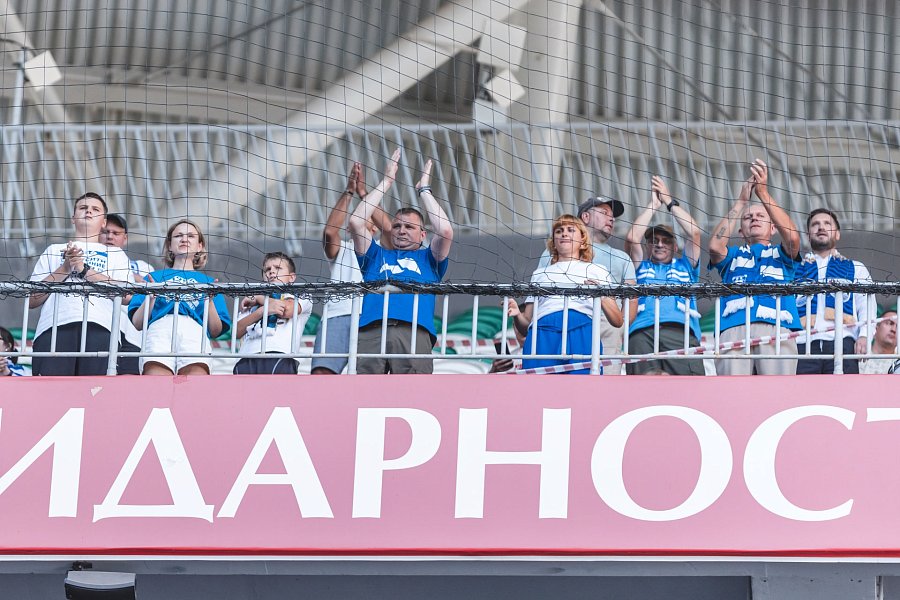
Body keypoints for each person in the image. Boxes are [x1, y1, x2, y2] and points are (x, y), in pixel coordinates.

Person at [349, 148, 453, 374]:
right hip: (372, 330)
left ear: (423, 235)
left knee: (412, 391)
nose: (401, 230)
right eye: (396, 226)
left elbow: (445, 230)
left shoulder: (429, 259)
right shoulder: (375, 255)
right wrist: (386, 182)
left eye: (409, 227)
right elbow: (356, 222)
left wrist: (424, 190)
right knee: (366, 391)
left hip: (413, 331)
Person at [708, 160, 802, 375]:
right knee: (733, 390)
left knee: (778, 391)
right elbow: (714, 246)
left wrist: (763, 193)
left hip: (777, 326)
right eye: (748, 217)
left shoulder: (781, 254)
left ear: (773, 228)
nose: (754, 219)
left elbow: (793, 238)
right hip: (733, 326)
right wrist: (741, 202)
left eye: (761, 216)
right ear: (740, 231)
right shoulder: (733, 255)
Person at [28, 192, 132, 376]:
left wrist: (84, 270)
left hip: (101, 328)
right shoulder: (53, 250)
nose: (89, 212)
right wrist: (66, 267)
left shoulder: (116, 254)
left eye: (95, 209)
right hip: (54, 328)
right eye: (83, 208)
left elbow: (127, 295)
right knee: (51, 390)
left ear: (104, 222)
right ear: (73, 218)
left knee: (95, 390)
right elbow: (31, 299)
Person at [507, 214, 624, 374]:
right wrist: (516, 315)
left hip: (582, 331)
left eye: (571, 230)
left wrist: (600, 295)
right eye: (559, 231)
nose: (564, 234)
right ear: (553, 242)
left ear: (583, 240)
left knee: (582, 386)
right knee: (538, 386)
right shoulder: (539, 274)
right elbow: (526, 324)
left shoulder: (597, 270)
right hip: (542, 333)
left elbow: (617, 320)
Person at [538, 196, 636, 375]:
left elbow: (632, 297)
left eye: (613, 216)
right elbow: (539, 291)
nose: (612, 219)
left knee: (605, 383)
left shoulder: (623, 257)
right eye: (604, 213)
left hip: (607, 323)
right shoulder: (554, 250)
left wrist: (620, 327)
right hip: (563, 322)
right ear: (585, 217)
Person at [311, 162, 392, 375]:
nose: (358, 217)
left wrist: (364, 193)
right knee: (322, 374)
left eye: (365, 213)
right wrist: (349, 191)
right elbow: (329, 232)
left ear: (374, 227)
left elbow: (390, 230)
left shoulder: (383, 250)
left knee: (369, 380)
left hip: (372, 317)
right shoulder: (343, 248)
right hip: (338, 315)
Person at [624, 176, 704, 375]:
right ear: (647, 245)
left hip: (680, 331)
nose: (659, 244)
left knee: (689, 386)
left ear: (675, 247)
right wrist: (653, 205)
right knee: (641, 387)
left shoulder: (686, 265)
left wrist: (668, 201)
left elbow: (694, 232)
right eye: (654, 240)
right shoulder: (639, 266)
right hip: (641, 332)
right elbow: (632, 237)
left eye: (666, 241)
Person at [128, 219, 231, 375]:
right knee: (157, 386)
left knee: (193, 387)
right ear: (169, 245)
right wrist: (151, 298)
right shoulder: (153, 277)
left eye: (190, 236)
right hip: (160, 331)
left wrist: (209, 302)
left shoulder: (209, 282)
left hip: (194, 332)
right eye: (178, 236)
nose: (184, 239)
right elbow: (137, 323)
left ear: (200, 246)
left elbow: (215, 331)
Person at [795, 208, 875, 374]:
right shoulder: (795, 269)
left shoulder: (856, 267)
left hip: (843, 343)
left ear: (837, 234)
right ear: (808, 235)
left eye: (827, 224)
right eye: (815, 224)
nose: (821, 227)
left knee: (844, 392)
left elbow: (867, 306)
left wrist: (865, 336)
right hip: (802, 345)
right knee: (802, 391)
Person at [233, 252, 312, 375]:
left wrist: (260, 299)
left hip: (280, 354)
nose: (272, 272)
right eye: (267, 269)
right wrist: (261, 311)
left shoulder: (302, 294)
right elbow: (236, 331)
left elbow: (286, 310)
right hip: (246, 356)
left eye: (278, 268)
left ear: (291, 277)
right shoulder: (252, 300)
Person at [100, 213, 154, 375]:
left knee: (128, 383)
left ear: (125, 238)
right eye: (105, 232)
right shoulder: (87, 260)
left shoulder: (142, 266)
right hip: (100, 330)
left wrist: (129, 277)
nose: (110, 236)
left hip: (132, 335)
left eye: (116, 233)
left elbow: (150, 289)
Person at [860, 310, 897, 374]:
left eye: (898, 326)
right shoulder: (858, 356)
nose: (894, 329)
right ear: (876, 328)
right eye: (889, 323)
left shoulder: (898, 363)